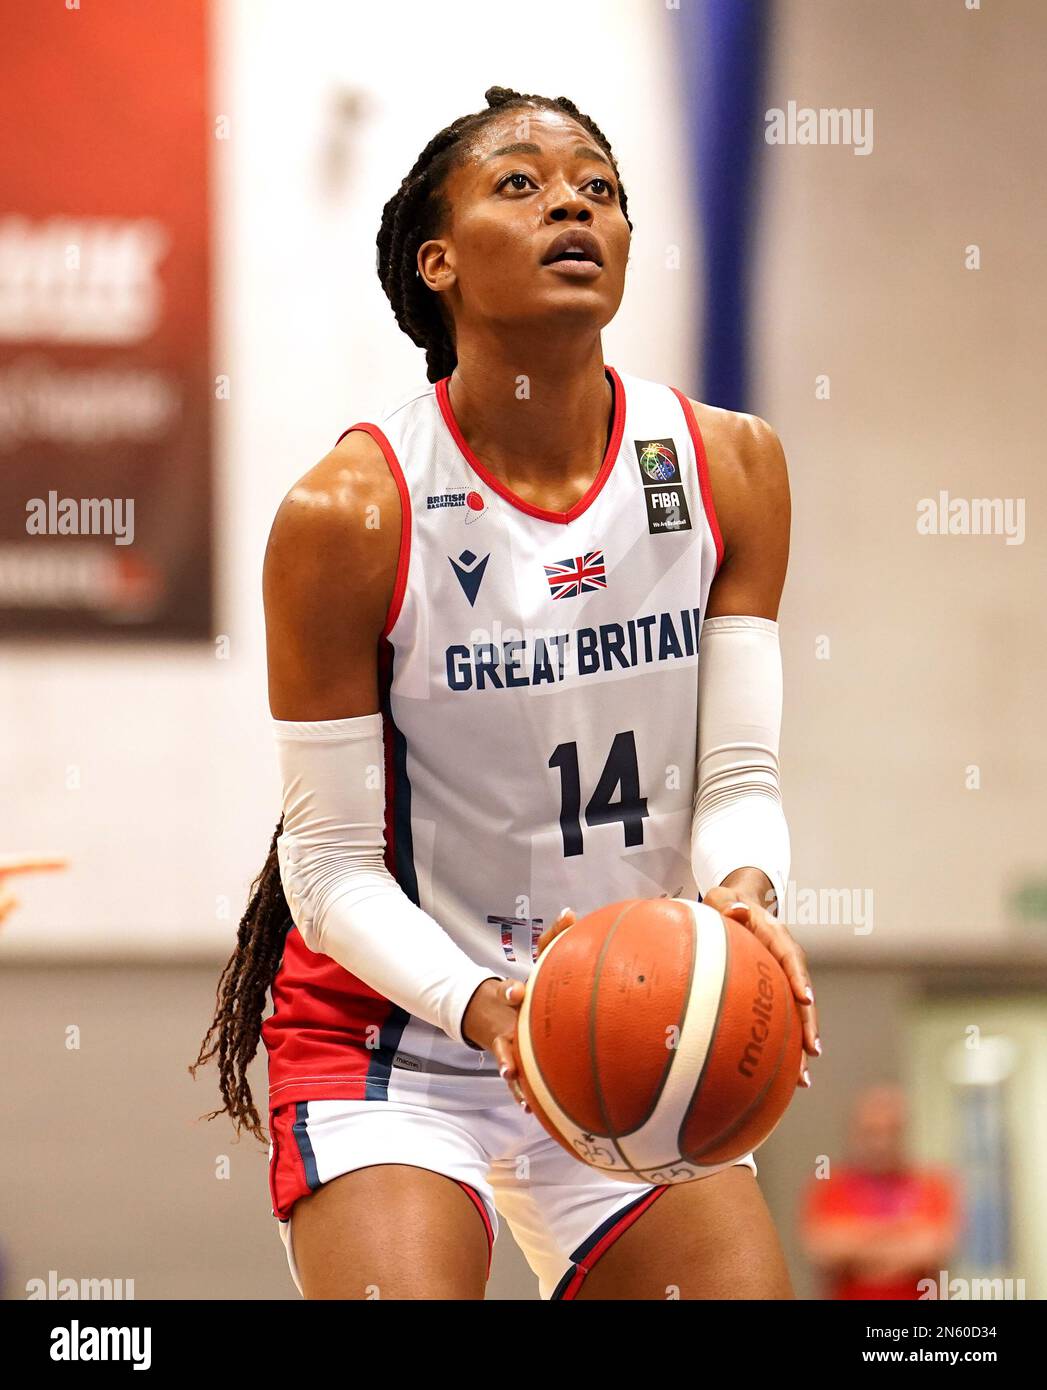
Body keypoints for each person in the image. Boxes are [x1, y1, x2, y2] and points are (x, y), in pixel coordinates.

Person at [194, 85, 819, 1299]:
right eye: (521, 184)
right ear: (438, 263)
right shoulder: (351, 511)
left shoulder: (726, 466)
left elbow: (739, 779)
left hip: (624, 1021)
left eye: (599, 187)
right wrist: (488, 1009)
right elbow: (327, 869)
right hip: (404, 1034)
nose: (573, 204)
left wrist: (743, 896)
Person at [800, 1083, 960, 1299]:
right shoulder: (828, 1187)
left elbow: (934, 1248)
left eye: (891, 1131)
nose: (881, 1143)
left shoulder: (933, 1184)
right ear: (854, 1132)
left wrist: (856, 1243)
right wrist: (903, 1233)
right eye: (872, 1132)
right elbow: (823, 1249)